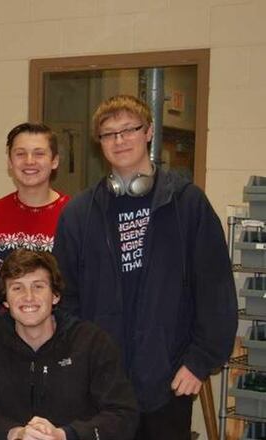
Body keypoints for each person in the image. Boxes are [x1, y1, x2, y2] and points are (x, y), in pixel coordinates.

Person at [52, 95, 237, 439]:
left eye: (129, 130)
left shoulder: (187, 204)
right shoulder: (80, 213)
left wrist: (198, 361)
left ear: (149, 131)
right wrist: (77, 362)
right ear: (99, 142)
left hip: (168, 378)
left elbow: (215, 290)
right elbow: (64, 296)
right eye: (109, 134)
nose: (119, 140)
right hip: (99, 382)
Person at [0, 249, 138, 440]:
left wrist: (65, 435)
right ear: (5, 300)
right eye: (17, 288)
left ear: (55, 295)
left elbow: (122, 415)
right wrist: (16, 434)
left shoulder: (91, 341)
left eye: (38, 287)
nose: (28, 297)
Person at [0, 122, 70, 328]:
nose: (29, 161)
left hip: (60, 337)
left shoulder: (74, 215)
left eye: (39, 153)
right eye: (20, 154)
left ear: (55, 161)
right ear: (9, 161)